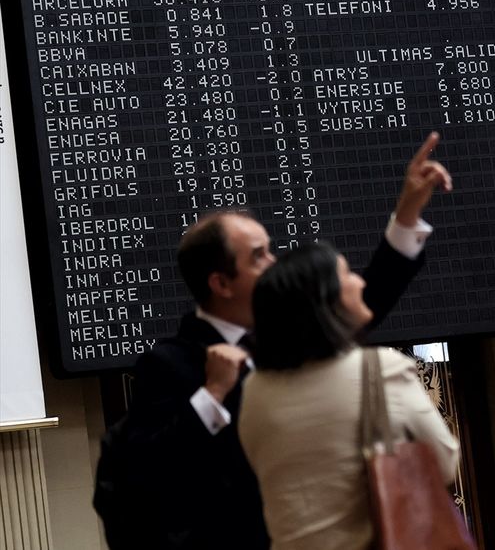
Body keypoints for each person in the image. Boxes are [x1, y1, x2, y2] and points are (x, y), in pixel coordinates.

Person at [106, 133, 452, 550]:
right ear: (221, 283)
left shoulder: (287, 336)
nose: (274, 262)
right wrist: (212, 394)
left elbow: (360, 300)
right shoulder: (169, 364)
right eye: (258, 255)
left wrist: (407, 214)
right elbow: (146, 472)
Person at [238, 242, 461, 550]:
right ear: (324, 302)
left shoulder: (254, 389)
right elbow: (444, 462)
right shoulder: (380, 368)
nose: (359, 282)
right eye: (346, 275)